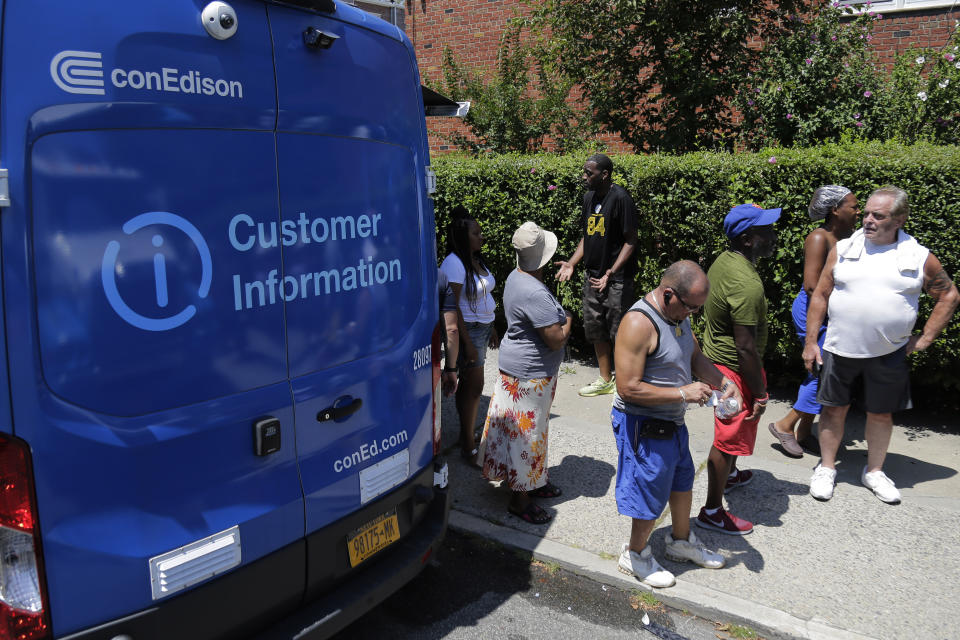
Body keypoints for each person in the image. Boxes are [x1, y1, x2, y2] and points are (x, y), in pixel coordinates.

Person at [804, 186, 959, 503]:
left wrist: (926, 338)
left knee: (881, 414)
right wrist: (810, 341)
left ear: (899, 219)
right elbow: (819, 294)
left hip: (889, 353)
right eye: (865, 213)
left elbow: (949, 295)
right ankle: (827, 467)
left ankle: (874, 471)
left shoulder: (918, 257)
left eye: (879, 215)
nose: (868, 220)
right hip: (838, 347)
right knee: (833, 410)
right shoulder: (844, 248)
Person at [613, 260, 741, 587]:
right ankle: (635, 555)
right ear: (669, 294)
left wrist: (724, 383)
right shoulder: (639, 323)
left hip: (671, 421)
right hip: (644, 424)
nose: (693, 315)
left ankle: (680, 542)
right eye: (691, 307)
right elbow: (627, 387)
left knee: (682, 481)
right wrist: (682, 393)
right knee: (649, 492)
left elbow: (695, 358)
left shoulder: (677, 316)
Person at [478, 221, 573, 525]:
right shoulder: (534, 291)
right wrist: (568, 319)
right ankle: (521, 500)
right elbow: (556, 337)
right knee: (527, 437)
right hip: (530, 376)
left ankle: (534, 481)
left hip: (516, 371)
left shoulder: (515, 277)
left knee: (521, 433)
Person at [696, 203, 780, 536]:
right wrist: (758, 392)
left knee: (732, 433)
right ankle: (712, 511)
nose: (773, 236)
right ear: (747, 239)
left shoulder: (724, 260)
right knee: (727, 439)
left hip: (722, 361)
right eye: (766, 231)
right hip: (732, 370)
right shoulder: (746, 284)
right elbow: (745, 347)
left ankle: (729, 476)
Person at [767, 186, 858, 458]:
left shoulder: (850, 237)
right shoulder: (819, 237)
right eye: (852, 206)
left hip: (836, 311)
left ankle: (805, 432)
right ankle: (785, 425)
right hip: (813, 311)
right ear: (834, 210)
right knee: (823, 370)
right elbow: (811, 285)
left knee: (821, 371)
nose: (858, 211)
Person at [555, 153, 638, 397]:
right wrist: (571, 263)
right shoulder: (589, 198)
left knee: (619, 331)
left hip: (617, 279)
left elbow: (631, 240)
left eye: (589, 173)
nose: (584, 177)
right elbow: (588, 236)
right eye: (584, 171)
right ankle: (605, 379)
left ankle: (625, 383)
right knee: (596, 329)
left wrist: (612, 272)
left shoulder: (621, 198)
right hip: (592, 275)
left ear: (605, 174)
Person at [440, 207, 500, 464]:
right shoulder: (454, 264)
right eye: (476, 233)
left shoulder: (476, 259)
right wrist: (467, 344)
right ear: (464, 238)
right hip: (470, 332)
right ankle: (467, 443)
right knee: (473, 388)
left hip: (482, 329)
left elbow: (484, 295)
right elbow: (452, 309)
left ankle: (468, 436)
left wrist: (493, 326)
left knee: (473, 386)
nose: (482, 236)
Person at [438, 269, 460, 397]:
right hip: (426, 359)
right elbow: (451, 329)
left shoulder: (384, 270)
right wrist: (451, 369)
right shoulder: (439, 277)